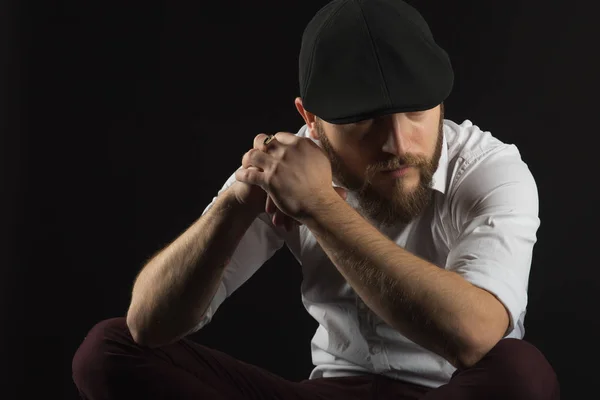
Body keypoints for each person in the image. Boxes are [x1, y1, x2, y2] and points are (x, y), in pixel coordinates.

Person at [72, 0, 560, 399]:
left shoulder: (491, 170)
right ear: (311, 119)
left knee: (521, 375)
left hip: (454, 391)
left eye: (415, 111)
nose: (397, 144)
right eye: (363, 120)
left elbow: (474, 337)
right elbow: (149, 326)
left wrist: (320, 209)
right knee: (108, 350)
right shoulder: (290, 165)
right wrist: (238, 199)